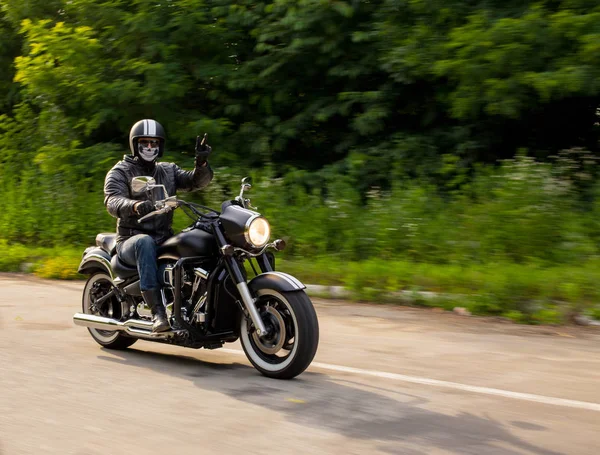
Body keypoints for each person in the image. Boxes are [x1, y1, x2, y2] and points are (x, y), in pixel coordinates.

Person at [104, 119, 213, 332]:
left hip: (163, 238)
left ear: (160, 146)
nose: (150, 147)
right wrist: (134, 205)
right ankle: (158, 313)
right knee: (144, 242)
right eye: (145, 142)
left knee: (195, 239)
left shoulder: (168, 170)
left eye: (154, 143)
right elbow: (112, 200)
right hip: (131, 240)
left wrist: (201, 164)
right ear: (135, 144)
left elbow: (195, 182)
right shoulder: (121, 171)